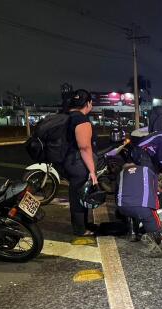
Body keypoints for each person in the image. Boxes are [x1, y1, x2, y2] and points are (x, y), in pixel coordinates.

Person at [62, 89, 99, 237]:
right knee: (79, 196)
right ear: (88, 103)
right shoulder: (82, 120)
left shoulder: (67, 116)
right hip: (78, 162)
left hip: (68, 161)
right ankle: (80, 229)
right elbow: (84, 147)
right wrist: (92, 171)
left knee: (79, 193)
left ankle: (83, 224)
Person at [115, 151, 162, 254]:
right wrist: (155, 209)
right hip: (142, 209)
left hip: (122, 207)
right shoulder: (148, 171)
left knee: (133, 208)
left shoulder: (121, 173)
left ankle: (133, 232)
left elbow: (117, 192)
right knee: (152, 220)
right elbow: (154, 193)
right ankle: (154, 240)